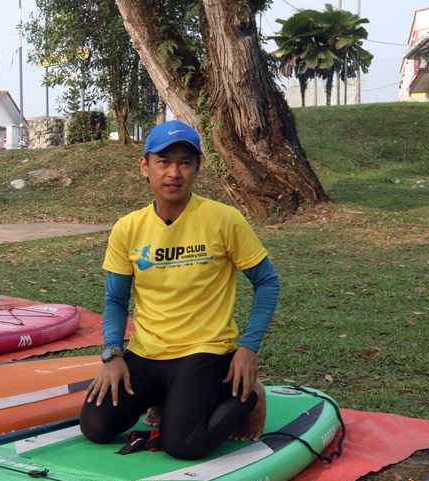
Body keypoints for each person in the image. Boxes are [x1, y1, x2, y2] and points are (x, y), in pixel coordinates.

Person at [81, 119, 280, 461]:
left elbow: (267, 282)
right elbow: (115, 299)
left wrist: (248, 348)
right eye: (164, 161)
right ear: (145, 167)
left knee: (183, 444)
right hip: (145, 354)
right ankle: (164, 397)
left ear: (198, 168)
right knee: (96, 426)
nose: (174, 172)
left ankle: (249, 396)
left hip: (204, 350)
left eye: (185, 162)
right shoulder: (128, 229)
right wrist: (113, 355)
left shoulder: (224, 219)